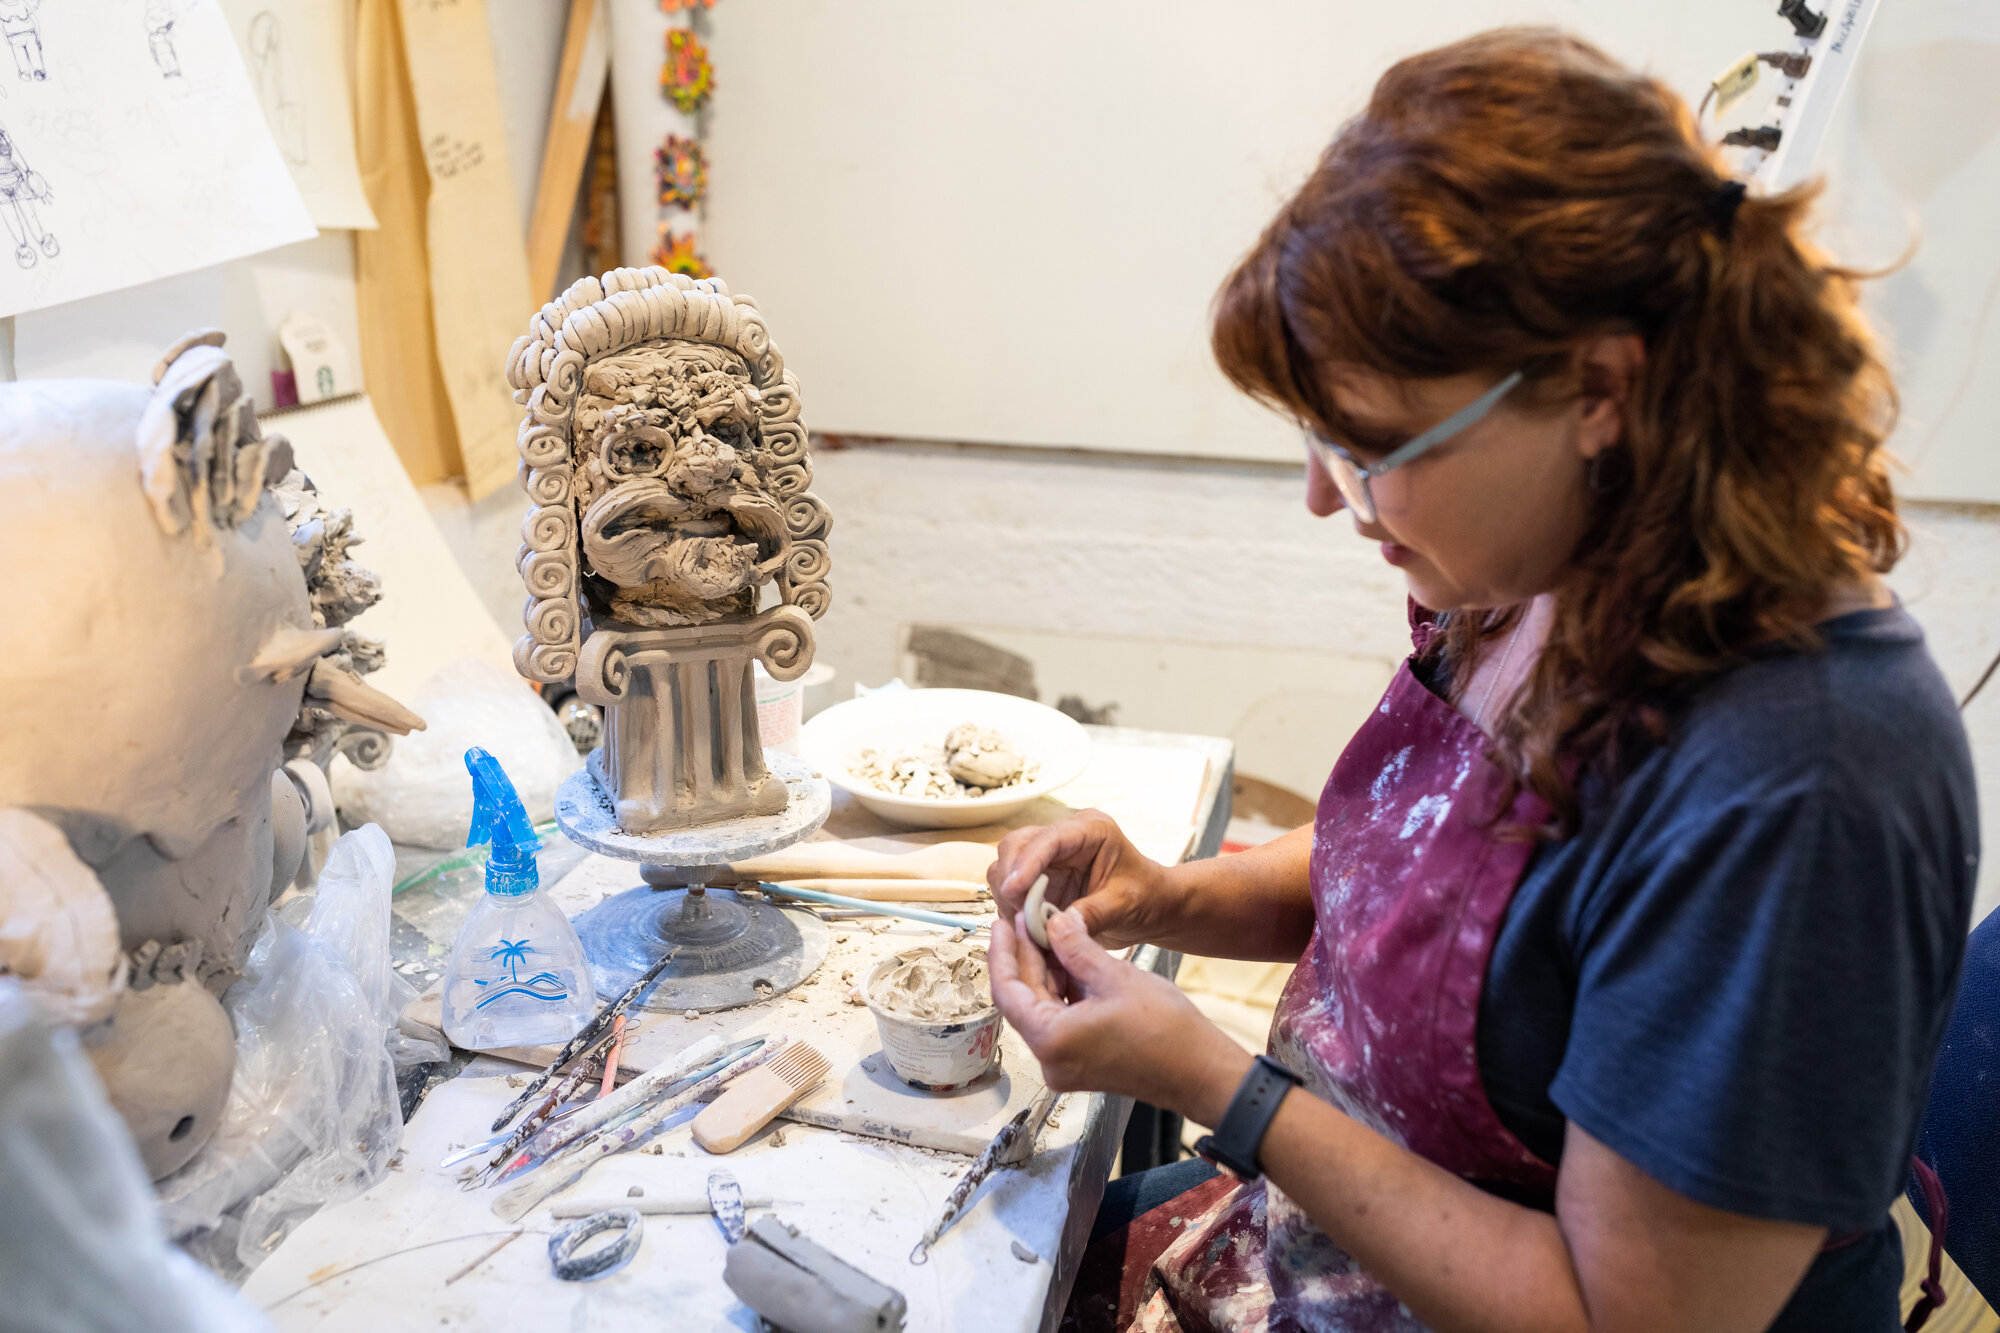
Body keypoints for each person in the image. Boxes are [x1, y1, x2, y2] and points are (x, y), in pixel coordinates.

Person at [985, 28, 1978, 1333]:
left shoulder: (1806, 777)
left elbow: (1625, 1317)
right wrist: (1174, 892)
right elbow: (1443, 883)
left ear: (1599, 390)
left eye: (1368, 445)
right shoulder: (1557, 567)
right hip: (1320, 1255)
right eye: (1315, 434)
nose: (1319, 497)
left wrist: (1227, 1085)